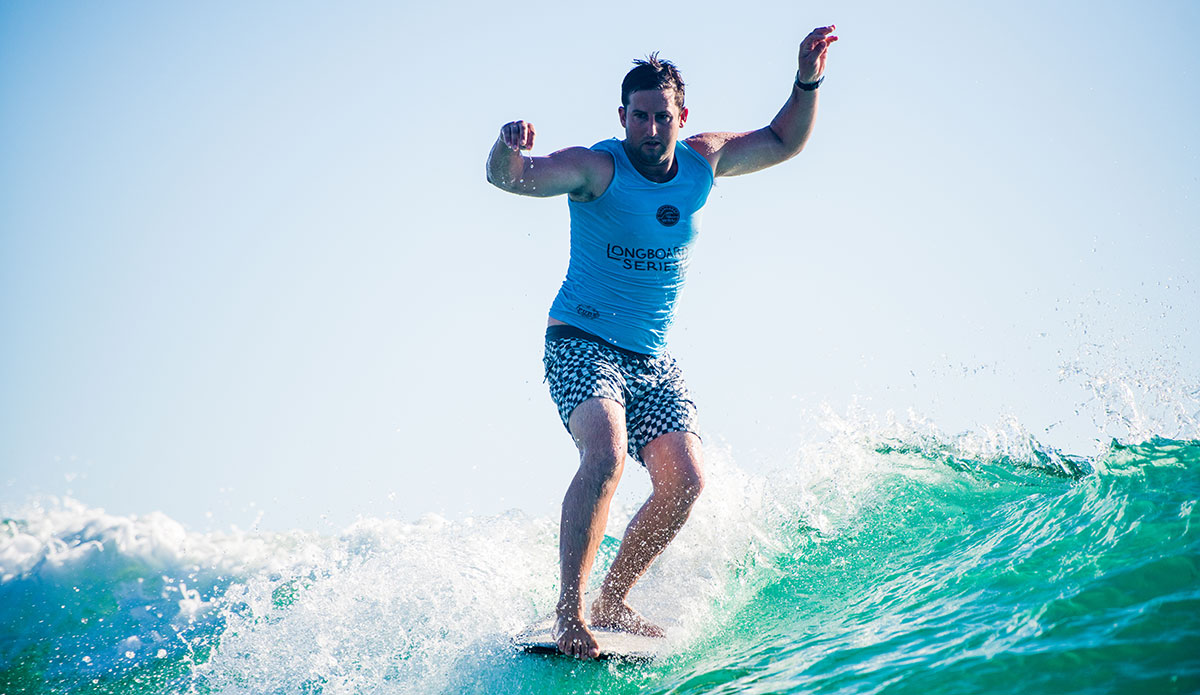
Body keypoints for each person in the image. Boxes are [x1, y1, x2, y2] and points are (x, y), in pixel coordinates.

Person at [485, 25, 838, 660]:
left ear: (682, 116)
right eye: (638, 118)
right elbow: (512, 180)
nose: (650, 130)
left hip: (650, 358)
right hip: (581, 340)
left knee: (687, 480)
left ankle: (614, 598)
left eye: (661, 118)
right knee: (607, 454)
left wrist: (807, 77)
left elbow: (784, 139)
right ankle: (570, 613)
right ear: (622, 117)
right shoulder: (596, 167)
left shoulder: (703, 161)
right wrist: (507, 153)